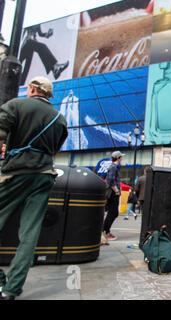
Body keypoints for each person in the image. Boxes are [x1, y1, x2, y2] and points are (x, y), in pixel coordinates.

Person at [0, 76, 68, 300]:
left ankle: (1, 280)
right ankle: (11, 290)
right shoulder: (60, 118)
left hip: (15, 173)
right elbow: (54, 150)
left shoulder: (16, 105)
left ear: (31, 89)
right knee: (29, 233)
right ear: (49, 95)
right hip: (43, 176)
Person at [103, 151, 125, 241]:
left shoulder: (114, 167)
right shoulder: (113, 167)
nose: (122, 159)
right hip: (113, 193)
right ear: (118, 158)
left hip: (113, 193)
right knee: (113, 213)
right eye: (121, 157)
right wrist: (116, 191)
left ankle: (105, 231)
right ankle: (105, 231)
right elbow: (110, 180)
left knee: (113, 213)